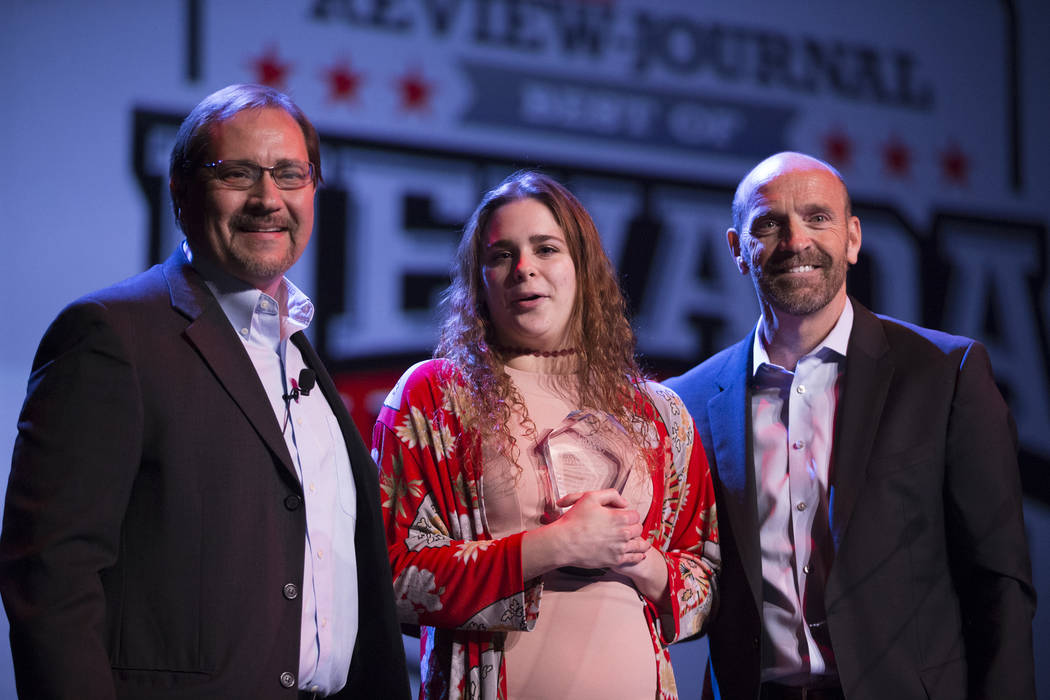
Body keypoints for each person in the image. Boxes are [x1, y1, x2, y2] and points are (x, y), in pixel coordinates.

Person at [0, 84, 410, 699]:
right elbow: (51, 579)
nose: (267, 199)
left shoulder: (299, 353)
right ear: (180, 193)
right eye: (236, 173)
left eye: (290, 174)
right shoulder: (112, 336)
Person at [665, 151, 1036, 700]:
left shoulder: (944, 373)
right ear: (737, 252)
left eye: (818, 218)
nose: (795, 241)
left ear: (853, 238)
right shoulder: (687, 402)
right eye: (769, 224)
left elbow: (999, 581)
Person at [371, 170, 720, 699]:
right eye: (501, 255)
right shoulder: (435, 398)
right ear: (478, 280)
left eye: (546, 248)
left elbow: (708, 581)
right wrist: (552, 545)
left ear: (584, 269)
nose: (524, 269)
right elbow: (389, 575)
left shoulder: (659, 413)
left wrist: (641, 560)